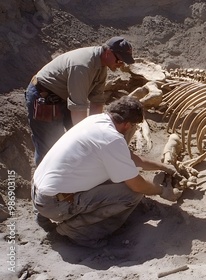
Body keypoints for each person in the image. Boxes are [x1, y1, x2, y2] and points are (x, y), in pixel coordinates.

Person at [31, 96, 179, 248]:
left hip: (38, 192)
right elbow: (137, 186)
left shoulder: (95, 120)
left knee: (118, 176)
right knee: (131, 195)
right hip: (54, 203)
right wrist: (162, 191)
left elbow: (133, 159)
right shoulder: (111, 139)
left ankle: (43, 216)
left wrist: (162, 167)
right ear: (128, 125)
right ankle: (76, 231)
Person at [25, 36, 135, 165]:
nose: (120, 65)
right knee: (51, 147)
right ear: (108, 52)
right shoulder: (82, 66)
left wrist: (97, 132)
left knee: (78, 142)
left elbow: (97, 101)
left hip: (63, 98)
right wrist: (89, 139)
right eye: (119, 60)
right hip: (43, 97)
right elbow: (78, 108)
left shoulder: (101, 66)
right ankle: (42, 182)